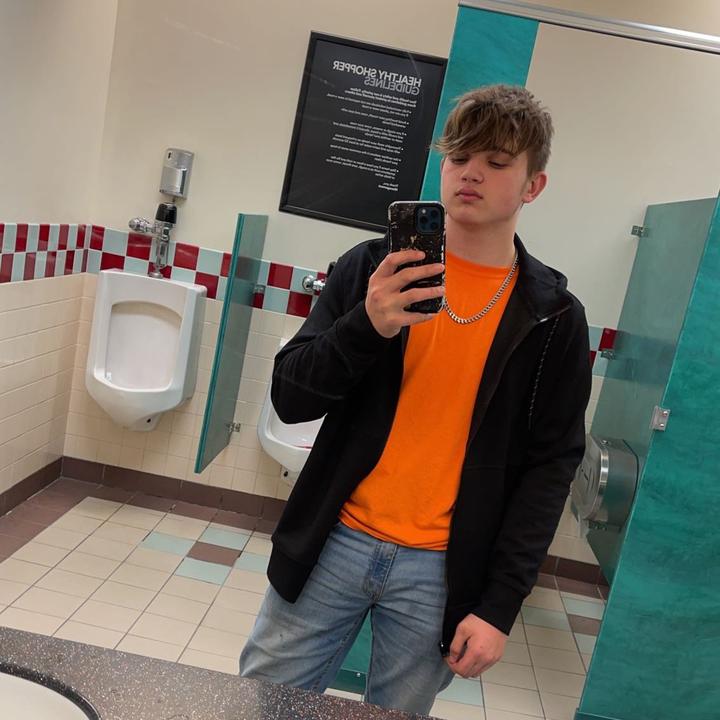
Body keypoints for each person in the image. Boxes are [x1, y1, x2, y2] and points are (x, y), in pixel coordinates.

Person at [239, 84, 591, 715]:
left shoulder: (553, 316)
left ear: (533, 186)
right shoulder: (373, 269)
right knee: (262, 706)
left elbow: (551, 467)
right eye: (459, 157)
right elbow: (290, 398)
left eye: (496, 162)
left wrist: (499, 605)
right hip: (333, 539)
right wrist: (366, 325)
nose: (470, 173)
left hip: (445, 570)